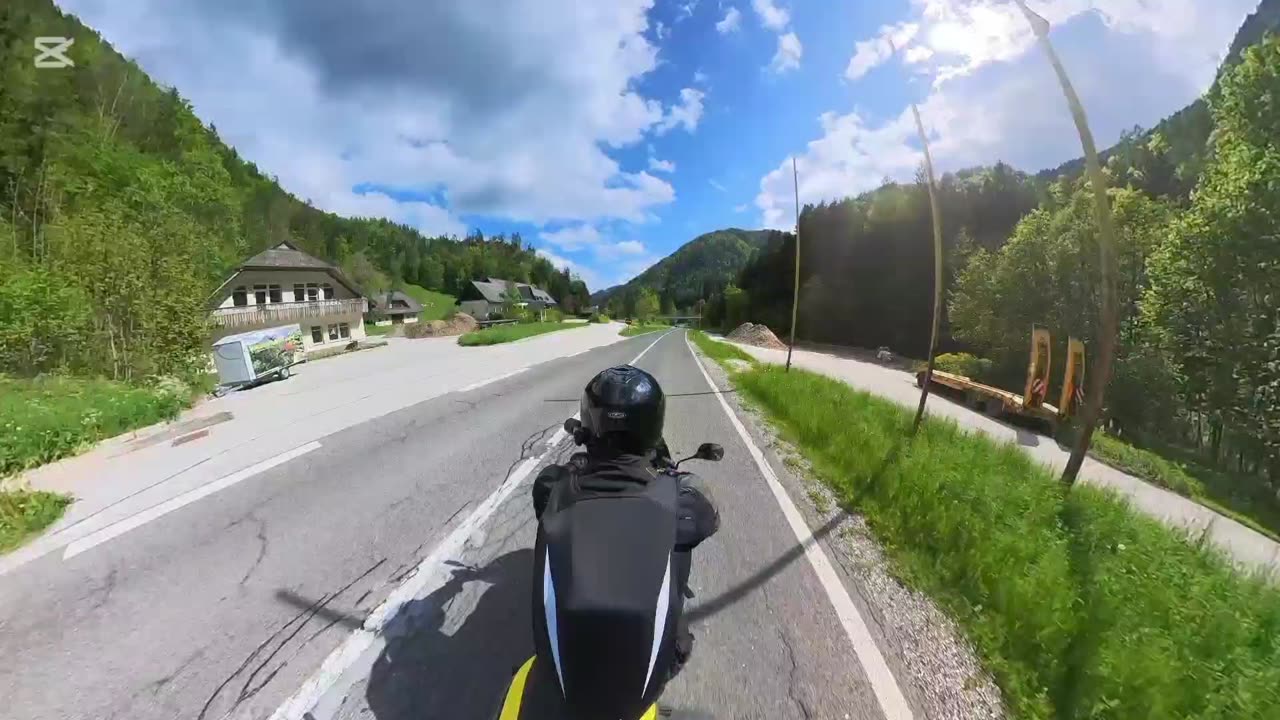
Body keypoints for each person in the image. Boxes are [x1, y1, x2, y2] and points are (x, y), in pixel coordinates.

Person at [531, 364, 720, 679]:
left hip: (563, 669)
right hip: (657, 667)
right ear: (654, 424)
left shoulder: (553, 486)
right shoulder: (685, 498)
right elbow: (708, 522)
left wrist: (577, 466)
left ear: (588, 422)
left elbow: (545, 501)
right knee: (680, 543)